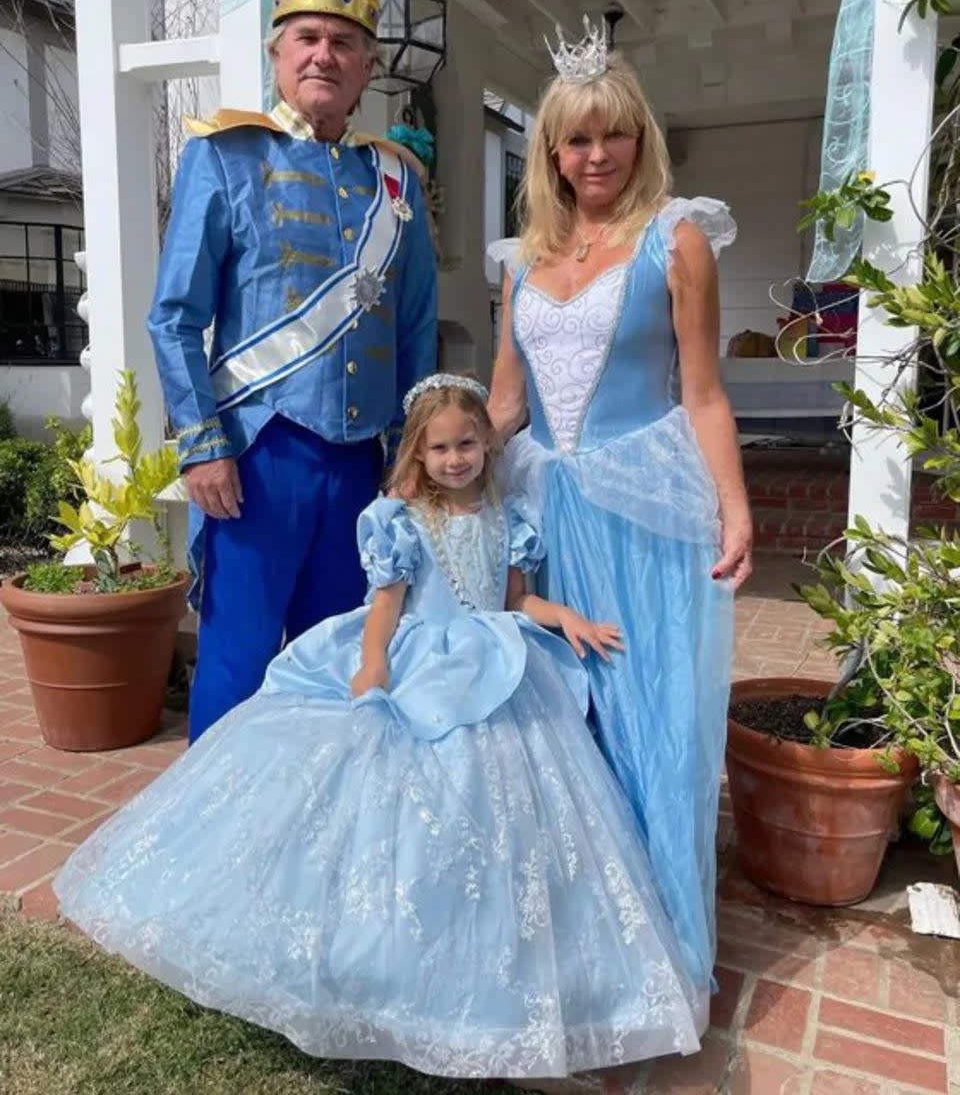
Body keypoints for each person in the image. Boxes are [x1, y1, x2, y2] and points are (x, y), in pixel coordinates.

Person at [54, 374, 706, 1086]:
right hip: (416, 663)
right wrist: (372, 666)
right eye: (441, 448)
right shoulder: (398, 519)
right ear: (417, 455)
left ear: (487, 444)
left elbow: (519, 600)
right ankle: (368, 964)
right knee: (388, 803)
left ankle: (484, 965)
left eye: (467, 444)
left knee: (501, 808)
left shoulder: (510, 515)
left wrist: (567, 619)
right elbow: (384, 606)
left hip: (493, 663)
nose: (456, 459)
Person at [487, 25, 753, 1033]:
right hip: (545, 510)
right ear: (549, 154)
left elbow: (703, 392)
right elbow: (507, 401)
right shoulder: (522, 260)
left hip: (646, 513)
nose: (595, 159)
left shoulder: (676, 238)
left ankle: (661, 956)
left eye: (613, 138)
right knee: (559, 721)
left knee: (652, 719)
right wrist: (433, 466)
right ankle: (574, 934)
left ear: (640, 141)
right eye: (574, 142)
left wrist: (734, 507)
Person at [147, 0, 437, 743]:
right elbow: (173, 316)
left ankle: (310, 834)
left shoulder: (394, 181)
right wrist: (203, 446)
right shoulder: (223, 155)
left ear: (367, 65)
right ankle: (222, 847)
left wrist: (412, 460)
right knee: (237, 663)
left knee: (336, 658)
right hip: (253, 459)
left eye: (343, 42)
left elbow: (415, 330)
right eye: (306, 38)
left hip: (361, 468)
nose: (323, 55)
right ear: (277, 53)